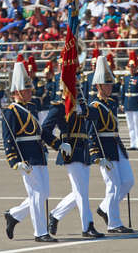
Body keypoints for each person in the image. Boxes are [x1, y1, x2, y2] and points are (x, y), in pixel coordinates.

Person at [2, 62, 60, 243]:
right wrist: (15, 161)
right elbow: (8, 139)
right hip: (26, 158)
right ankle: (40, 232)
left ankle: (13, 215)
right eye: (25, 90)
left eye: (29, 89)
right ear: (16, 92)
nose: (29, 92)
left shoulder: (31, 107)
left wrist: (58, 144)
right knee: (36, 194)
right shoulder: (11, 111)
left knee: (43, 194)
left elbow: (40, 132)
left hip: (39, 155)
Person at [42, 82, 104, 238]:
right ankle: (87, 226)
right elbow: (44, 130)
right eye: (73, 88)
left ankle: (56, 214)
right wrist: (58, 144)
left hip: (83, 151)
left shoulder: (82, 105)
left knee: (80, 190)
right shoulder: (58, 107)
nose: (77, 90)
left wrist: (83, 109)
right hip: (70, 150)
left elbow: (96, 115)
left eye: (78, 88)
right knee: (81, 191)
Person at [89, 56, 134, 233]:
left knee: (128, 181)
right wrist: (97, 156)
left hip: (116, 145)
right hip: (104, 148)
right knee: (113, 185)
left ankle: (104, 207)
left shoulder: (112, 103)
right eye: (107, 85)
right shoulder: (94, 106)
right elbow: (91, 133)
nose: (110, 87)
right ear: (99, 86)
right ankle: (114, 223)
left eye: (110, 84)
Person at [120, 51, 138, 150]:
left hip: (136, 104)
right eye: (130, 67)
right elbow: (123, 92)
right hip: (128, 104)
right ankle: (133, 143)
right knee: (131, 126)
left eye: (133, 67)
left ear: (136, 67)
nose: (131, 69)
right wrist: (122, 103)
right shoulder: (126, 78)